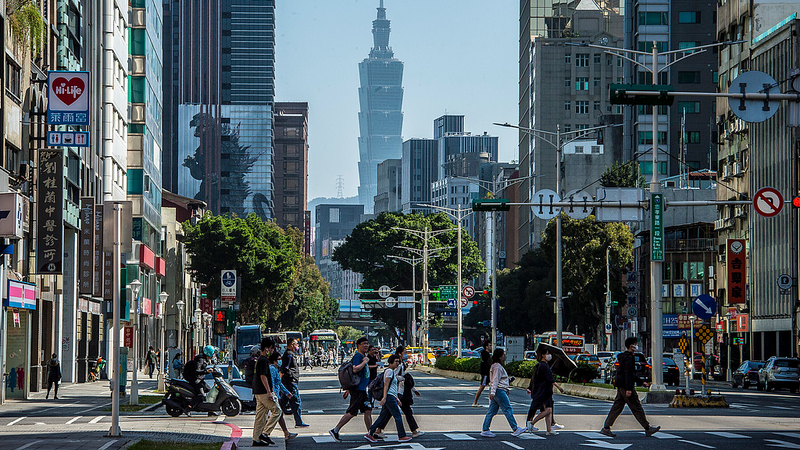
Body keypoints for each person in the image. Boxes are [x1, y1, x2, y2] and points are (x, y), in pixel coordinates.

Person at [600, 337, 661, 438]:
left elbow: (631, 373)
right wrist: (628, 389)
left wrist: (641, 382)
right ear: (631, 346)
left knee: (617, 407)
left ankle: (606, 428)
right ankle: (647, 428)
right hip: (626, 386)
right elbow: (628, 374)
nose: (636, 346)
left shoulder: (624, 357)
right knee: (636, 407)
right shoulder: (629, 358)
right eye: (635, 344)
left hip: (621, 386)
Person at [373, 346, 424, 439]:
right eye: (404, 352)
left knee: (388, 412)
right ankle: (407, 433)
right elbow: (393, 377)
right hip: (397, 392)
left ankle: (376, 430)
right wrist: (402, 379)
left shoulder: (400, 364)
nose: (406, 354)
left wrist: (413, 389)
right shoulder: (397, 365)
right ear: (400, 353)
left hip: (397, 392)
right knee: (398, 413)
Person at [329, 337, 373, 442]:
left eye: (367, 343)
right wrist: (364, 362)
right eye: (364, 343)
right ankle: (335, 430)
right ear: (358, 345)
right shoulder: (358, 356)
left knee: (368, 409)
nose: (366, 345)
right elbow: (354, 369)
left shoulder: (362, 356)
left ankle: (370, 433)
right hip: (358, 390)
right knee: (352, 412)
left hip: (362, 389)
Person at [364, 355, 411, 443]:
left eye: (398, 361)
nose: (397, 363)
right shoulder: (389, 371)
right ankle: (402, 435)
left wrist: (396, 398)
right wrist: (384, 397)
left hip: (391, 396)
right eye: (396, 361)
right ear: (391, 362)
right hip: (389, 397)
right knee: (397, 416)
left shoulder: (391, 371)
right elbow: (386, 385)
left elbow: (392, 387)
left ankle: (370, 433)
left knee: (382, 417)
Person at [481, 348, 526, 438]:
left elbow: (498, 379)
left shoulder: (495, 365)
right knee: (507, 409)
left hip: (497, 390)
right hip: (499, 391)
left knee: (491, 411)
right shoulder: (497, 366)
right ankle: (515, 428)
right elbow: (495, 380)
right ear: (500, 356)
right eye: (503, 354)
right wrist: (493, 392)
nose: (505, 356)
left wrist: (508, 381)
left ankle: (485, 429)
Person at [525, 347, 564, 435]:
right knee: (548, 410)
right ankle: (532, 423)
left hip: (546, 391)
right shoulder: (543, 365)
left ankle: (549, 430)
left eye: (549, 354)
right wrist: (558, 387)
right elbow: (550, 378)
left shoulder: (544, 365)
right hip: (543, 391)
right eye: (547, 354)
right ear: (543, 355)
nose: (549, 356)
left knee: (548, 410)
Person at [253, 338, 282, 446]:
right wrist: (269, 391)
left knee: (260, 416)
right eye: (271, 348)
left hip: (258, 391)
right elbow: (263, 376)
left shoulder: (259, 359)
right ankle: (265, 433)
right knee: (277, 411)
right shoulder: (264, 360)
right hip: (264, 392)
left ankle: (256, 439)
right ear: (266, 348)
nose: (272, 351)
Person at [269, 351, 298, 440]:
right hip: (273, 395)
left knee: (278, 414)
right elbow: (272, 383)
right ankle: (265, 433)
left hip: (276, 394)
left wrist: (286, 392)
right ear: (274, 360)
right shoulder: (272, 369)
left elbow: (279, 383)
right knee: (277, 414)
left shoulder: (275, 369)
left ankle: (286, 433)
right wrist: (273, 393)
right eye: (278, 359)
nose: (280, 361)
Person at [280, 338, 309, 427]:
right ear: (292, 345)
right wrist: (279, 382)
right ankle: (299, 422)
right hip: (290, 382)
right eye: (296, 344)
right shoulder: (289, 355)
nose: (297, 346)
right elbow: (284, 369)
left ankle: (270, 417)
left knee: (282, 403)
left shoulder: (289, 354)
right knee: (296, 402)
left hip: (289, 382)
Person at [183, 345, 214, 409]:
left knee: (209, 390)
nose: (213, 355)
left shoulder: (204, 359)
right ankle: (189, 407)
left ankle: (209, 409)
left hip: (200, 380)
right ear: (209, 353)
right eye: (212, 353)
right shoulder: (200, 360)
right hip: (195, 380)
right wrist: (206, 371)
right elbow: (197, 370)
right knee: (201, 395)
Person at [472, 341, 492, 407]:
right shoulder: (485, 354)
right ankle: (475, 402)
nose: (491, 347)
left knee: (493, 387)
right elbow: (488, 363)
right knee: (482, 387)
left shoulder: (485, 354)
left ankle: (493, 402)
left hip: (487, 373)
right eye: (490, 345)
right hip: (485, 373)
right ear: (486, 347)